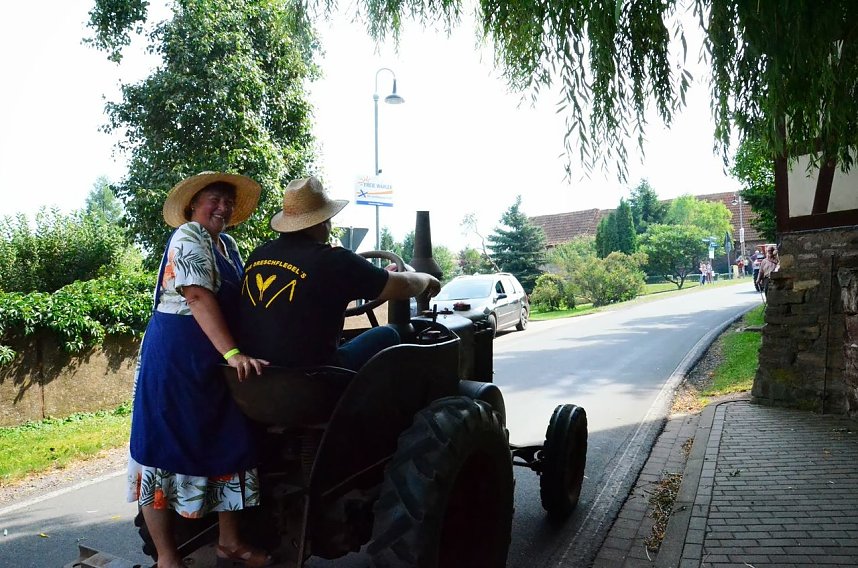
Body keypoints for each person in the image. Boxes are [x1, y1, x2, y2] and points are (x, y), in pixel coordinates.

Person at [127, 172, 272, 568]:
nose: (222, 207)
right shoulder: (188, 235)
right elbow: (195, 294)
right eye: (214, 199)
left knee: (229, 443)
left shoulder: (226, 244)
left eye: (228, 201)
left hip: (212, 360)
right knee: (162, 451)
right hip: (177, 359)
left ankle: (230, 542)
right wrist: (234, 353)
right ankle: (167, 558)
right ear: (193, 205)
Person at [238, 176, 441, 371]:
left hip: (259, 381)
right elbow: (404, 286)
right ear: (322, 222)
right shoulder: (334, 260)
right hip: (316, 379)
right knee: (390, 334)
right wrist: (427, 279)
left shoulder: (258, 254)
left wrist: (378, 275)